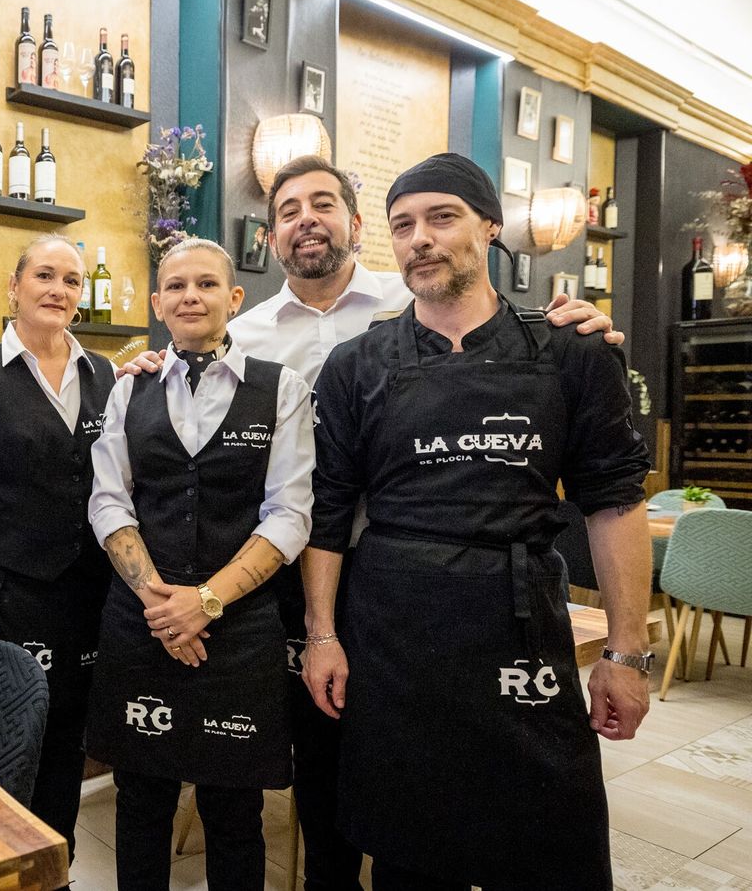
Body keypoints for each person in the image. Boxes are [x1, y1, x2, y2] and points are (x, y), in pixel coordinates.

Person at [119, 154, 623, 891]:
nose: (306, 221)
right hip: (297, 577)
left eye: (323, 205)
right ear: (271, 237)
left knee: (501, 797)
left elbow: (604, 479)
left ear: (357, 225)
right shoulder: (242, 334)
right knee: (336, 775)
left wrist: (579, 325)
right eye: (288, 211)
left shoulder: (419, 289)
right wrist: (141, 373)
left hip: (440, 581)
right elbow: (191, 407)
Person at [301, 152, 653, 889]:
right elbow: (326, 514)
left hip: (518, 627)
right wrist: (323, 635)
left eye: (442, 217)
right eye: (403, 225)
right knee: (409, 856)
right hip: (393, 634)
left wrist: (626, 653)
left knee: (551, 845)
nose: (420, 239)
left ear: (490, 226)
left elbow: (615, 501)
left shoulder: (571, 353)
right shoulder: (356, 365)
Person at [88, 238, 313, 891]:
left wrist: (206, 601)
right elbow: (108, 501)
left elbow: (290, 514)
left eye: (207, 284)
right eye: (177, 286)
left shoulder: (281, 388)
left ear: (234, 298)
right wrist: (163, 606)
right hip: (142, 623)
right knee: (141, 800)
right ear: (158, 302)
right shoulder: (128, 390)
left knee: (234, 808)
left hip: (239, 631)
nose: (191, 296)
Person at [0, 233, 116, 862]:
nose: (58, 290)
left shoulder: (104, 374)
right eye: (44, 276)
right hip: (7, 595)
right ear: (14, 287)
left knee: (66, 748)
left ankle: (55, 868)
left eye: (71, 280)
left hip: (84, 597)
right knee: (0, 748)